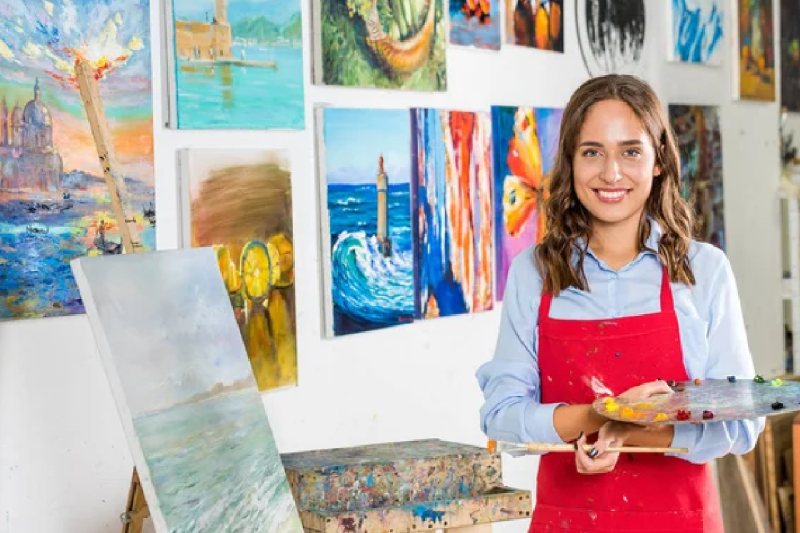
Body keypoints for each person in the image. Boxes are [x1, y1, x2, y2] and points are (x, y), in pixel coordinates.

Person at [476, 74, 763, 532]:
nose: (611, 173)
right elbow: (501, 416)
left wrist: (631, 429)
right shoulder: (535, 272)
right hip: (568, 523)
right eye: (592, 152)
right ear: (570, 161)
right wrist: (599, 415)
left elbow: (742, 425)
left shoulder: (704, 270)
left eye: (630, 151)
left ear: (658, 160)